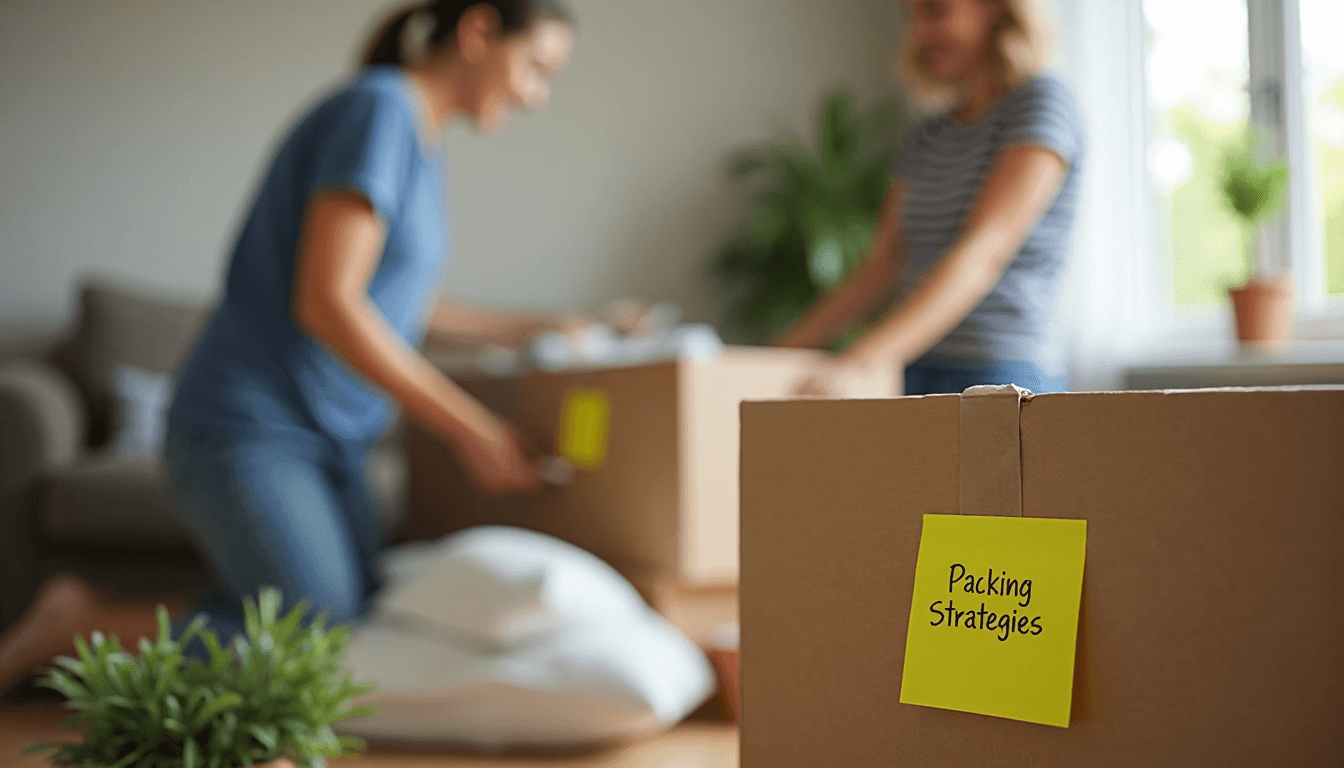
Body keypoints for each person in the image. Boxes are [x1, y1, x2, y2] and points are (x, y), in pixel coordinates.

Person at [0, 0, 580, 693]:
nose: (537, 96)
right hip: (251, 425)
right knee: (317, 630)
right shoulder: (380, 111)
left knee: (352, 616)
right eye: (536, 68)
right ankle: (76, 622)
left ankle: (132, 633)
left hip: (335, 436)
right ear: (480, 30)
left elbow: (397, 305)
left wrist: (534, 326)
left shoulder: (422, 146)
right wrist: (471, 427)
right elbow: (329, 301)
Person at [778, 0, 1084, 396]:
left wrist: (863, 359)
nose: (918, 32)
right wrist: (772, 354)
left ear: (993, 8)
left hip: (1004, 372)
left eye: (935, 11)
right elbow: (879, 269)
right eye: (910, 17)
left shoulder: (1043, 102)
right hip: (916, 367)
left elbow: (984, 250)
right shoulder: (925, 136)